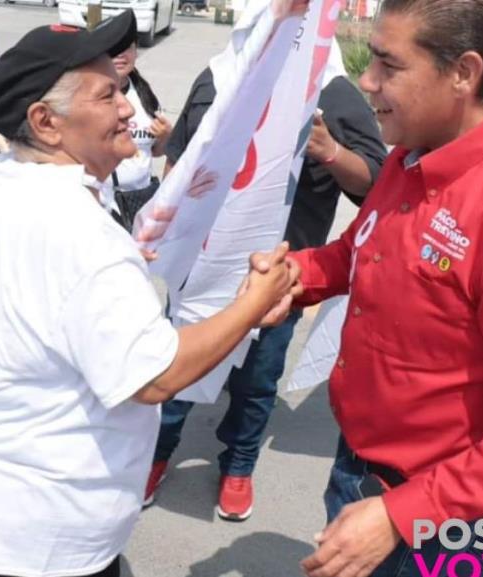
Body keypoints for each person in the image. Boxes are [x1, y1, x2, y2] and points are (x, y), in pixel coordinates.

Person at [0, 7, 305, 577]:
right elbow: (154, 378)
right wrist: (252, 302)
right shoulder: (75, 232)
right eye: (107, 95)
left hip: (13, 501)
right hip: (53, 531)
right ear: (46, 123)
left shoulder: (9, 185)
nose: (128, 106)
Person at [288, 1, 483, 576]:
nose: (366, 80)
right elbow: (360, 252)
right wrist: (294, 277)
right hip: (363, 468)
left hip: (447, 524)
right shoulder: (411, 159)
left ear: (464, 73)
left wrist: (403, 515)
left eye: (388, 65)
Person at [146, 63, 388, 520]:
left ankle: (238, 466)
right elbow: (179, 155)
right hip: (202, 270)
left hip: (279, 274)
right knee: (174, 365)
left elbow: (378, 182)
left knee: (257, 382)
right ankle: (155, 454)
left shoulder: (333, 92)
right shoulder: (223, 74)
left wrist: (330, 150)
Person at [109, 20, 172, 195]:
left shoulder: (146, 96)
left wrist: (165, 136)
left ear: (136, 52)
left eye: (128, 47)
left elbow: (155, 151)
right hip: (103, 201)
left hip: (138, 199)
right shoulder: (88, 97)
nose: (121, 54)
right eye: (114, 48)